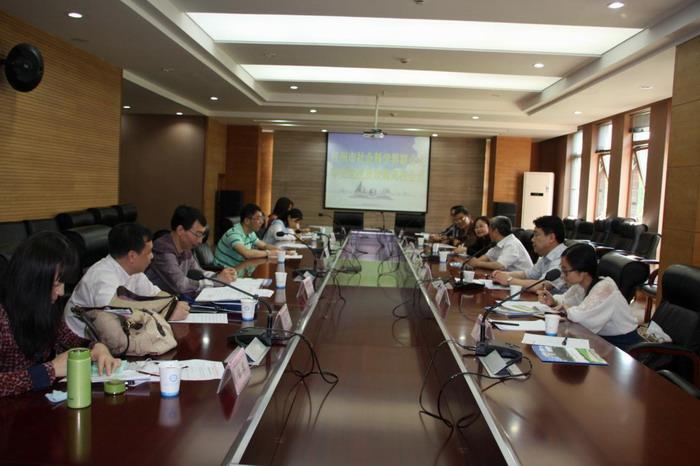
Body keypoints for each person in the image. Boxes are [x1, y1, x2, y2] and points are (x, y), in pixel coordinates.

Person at [1, 232, 120, 397]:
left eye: (62, 283)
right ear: (33, 280)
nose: (61, 292)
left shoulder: (44, 306)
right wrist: (50, 370)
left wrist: (97, 347)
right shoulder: (3, 315)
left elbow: (70, 341)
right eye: (56, 284)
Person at [65, 223, 190, 337]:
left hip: (114, 336)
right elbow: (116, 316)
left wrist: (172, 303)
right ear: (132, 256)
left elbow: (155, 295)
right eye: (149, 252)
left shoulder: (134, 271)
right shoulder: (102, 277)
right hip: (80, 342)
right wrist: (166, 312)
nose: (152, 256)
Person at [536, 243, 641, 351]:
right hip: (599, 339)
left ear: (583, 272)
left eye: (565, 271)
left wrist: (565, 306)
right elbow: (566, 300)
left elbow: (579, 317)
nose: (562, 275)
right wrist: (553, 301)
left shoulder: (605, 288)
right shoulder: (581, 285)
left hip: (623, 345)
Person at [146, 205, 237, 297]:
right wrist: (216, 282)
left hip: (175, 300)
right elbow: (181, 284)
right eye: (198, 234)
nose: (200, 241)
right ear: (180, 230)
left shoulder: (185, 248)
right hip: (157, 303)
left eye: (202, 235)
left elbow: (199, 272)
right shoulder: (163, 250)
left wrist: (221, 275)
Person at [493, 215, 568, 292]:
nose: (532, 239)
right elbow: (527, 274)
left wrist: (509, 280)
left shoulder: (564, 258)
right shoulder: (547, 256)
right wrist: (504, 274)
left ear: (551, 238)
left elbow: (541, 286)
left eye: (536, 235)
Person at [214, 203, 282, 267]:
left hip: (240, 268)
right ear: (247, 221)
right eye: (258, 219)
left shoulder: (250, 232)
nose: (261, 222)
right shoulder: (234, 233)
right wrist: (269, 253)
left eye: (262, 218)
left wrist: (280, 250)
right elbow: (246, 253)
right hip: (223, 271)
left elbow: (264, 245)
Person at [467, 216, 533, 271]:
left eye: (490, 229)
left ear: (495, 231)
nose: (489, 233)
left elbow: (500, 266)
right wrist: (474, 262)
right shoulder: (498, 242)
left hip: (522, 281)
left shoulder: (512, 244)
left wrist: (477, 263)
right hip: (507, 278)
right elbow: (487, 257)